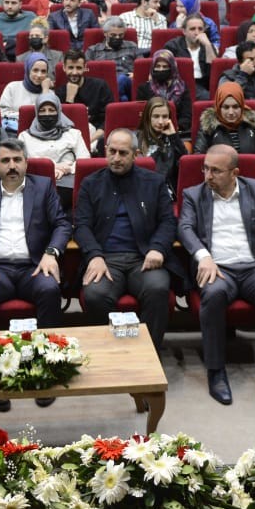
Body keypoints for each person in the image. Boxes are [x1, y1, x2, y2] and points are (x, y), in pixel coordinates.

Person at [0, 140, 71, 411]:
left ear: (26, 162)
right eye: (6, 161)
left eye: (17, 160)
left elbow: (61, 224)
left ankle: (45, 370)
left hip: (33, 266)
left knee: (49, 289)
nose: (12, 166)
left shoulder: (43, 187)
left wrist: (51, 252)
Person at [178, 144, 255, 410]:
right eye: (205, 168)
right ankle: (216, 371)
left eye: (215, 170)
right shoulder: (194, 194)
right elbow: (184, 228)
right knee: (214, 294)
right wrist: (203, 256)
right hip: (218, 268)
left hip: (253, 267)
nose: (207, 176)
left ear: (234, 172)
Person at [73, 128, 178, 350]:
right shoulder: (91, 183)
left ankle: (149, 354)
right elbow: (81, 226)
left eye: (123, 153)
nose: (117, 158)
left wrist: (158, 248)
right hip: (106, 258)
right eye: (112, 152)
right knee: (95, 294)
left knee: (157, 288)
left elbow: (168, 221)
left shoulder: (155, 182)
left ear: (136, 154)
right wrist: (94, 256)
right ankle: (112, 351)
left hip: (144, 257)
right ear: (105, 150)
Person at [18, 91, 89, 204]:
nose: (47, 114)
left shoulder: (73, 134)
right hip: (37, 183)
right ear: (36, 113)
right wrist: (53, 167)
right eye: (42, 110)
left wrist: (69, 169)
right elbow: (21, 163)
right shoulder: (24, 137)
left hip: (69, 183)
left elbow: (85, 160)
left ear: (59, 111)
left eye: (51, 110)